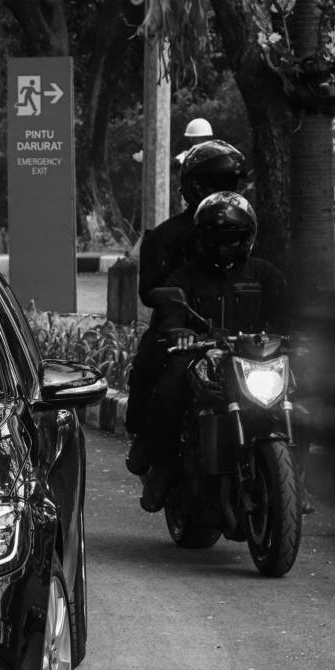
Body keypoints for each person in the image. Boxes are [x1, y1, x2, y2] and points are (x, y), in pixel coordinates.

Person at [138, 191, 289, 511]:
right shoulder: (186, 276)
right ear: (202, 238)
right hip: (201, 356)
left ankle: (296, 477)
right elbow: (170, 313)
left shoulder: (265, 274)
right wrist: (178, 331)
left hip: (256, 358)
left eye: (232, 238)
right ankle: (163, 468)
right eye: (215, 237)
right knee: (169, 390)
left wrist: (300, 336)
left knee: (303, 394)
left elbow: (288, 315)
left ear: (247, 238)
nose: (223, 245)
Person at [125, 139, 248, 475]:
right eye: (219, 184)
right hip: (182, 333)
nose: (228, 192)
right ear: (195, 186)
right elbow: (151, 291)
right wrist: (178, 323)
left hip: (240, 335)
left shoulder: (247, 227)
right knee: (153, 367)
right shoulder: (165, 237)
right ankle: (151, 447)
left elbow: (268, 282)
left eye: (233, 184)